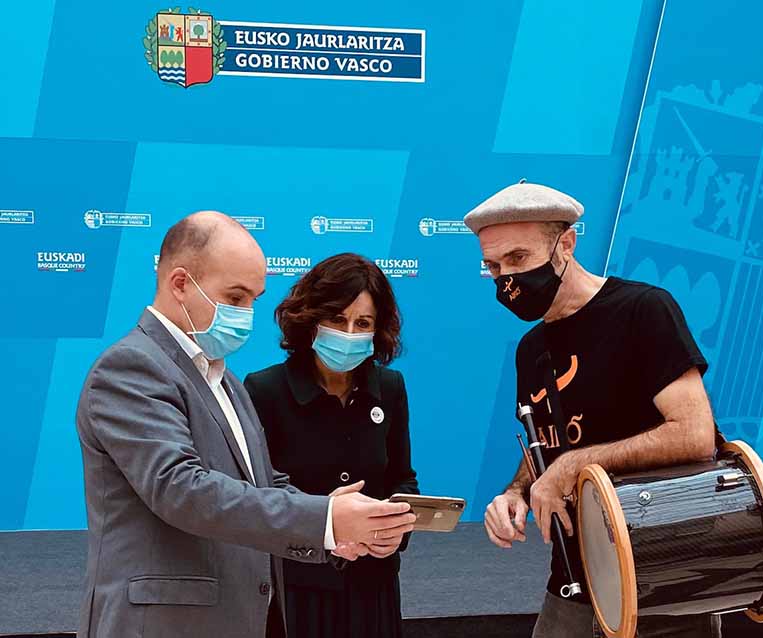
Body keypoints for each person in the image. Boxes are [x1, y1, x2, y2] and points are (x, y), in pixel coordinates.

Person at [75, 212, 416, 638]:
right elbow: (180, 488)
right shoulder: (132, 368)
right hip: (165, 623)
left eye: (254, 299)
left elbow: (262, 483)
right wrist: (325, 515)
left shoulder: (224, 380)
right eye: (235, 298)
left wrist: (331, 532)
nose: (247, 315)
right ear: (180, 284)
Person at [464, 182, 723, 638]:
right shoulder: (531, 348)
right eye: (493, 266)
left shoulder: (643, 310)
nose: (507, 279)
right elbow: (551, 444)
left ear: (566, 243)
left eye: (518, 259)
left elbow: (694, 434)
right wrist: (516, 493)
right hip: (573, 580)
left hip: (664, 582)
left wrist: (572, 467)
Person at [244, 253, 419, 638]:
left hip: (374, 587)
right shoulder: (264, 390)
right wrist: (325, 522)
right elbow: (257, 496)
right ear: (311, 319)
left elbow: (403, 480)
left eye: (363, 324)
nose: (350, 333)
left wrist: (396, 533)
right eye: (338, 320)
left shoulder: (389, 389)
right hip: (298, 587)